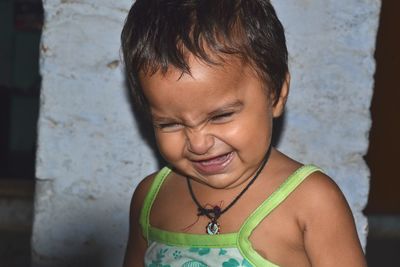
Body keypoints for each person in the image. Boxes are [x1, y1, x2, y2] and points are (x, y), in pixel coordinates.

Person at [121, 0, 367, 266]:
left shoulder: (311, 201)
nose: (199, 143)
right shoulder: (151, 199)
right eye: (170, 124)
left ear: (276, 94)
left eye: (221, 116)